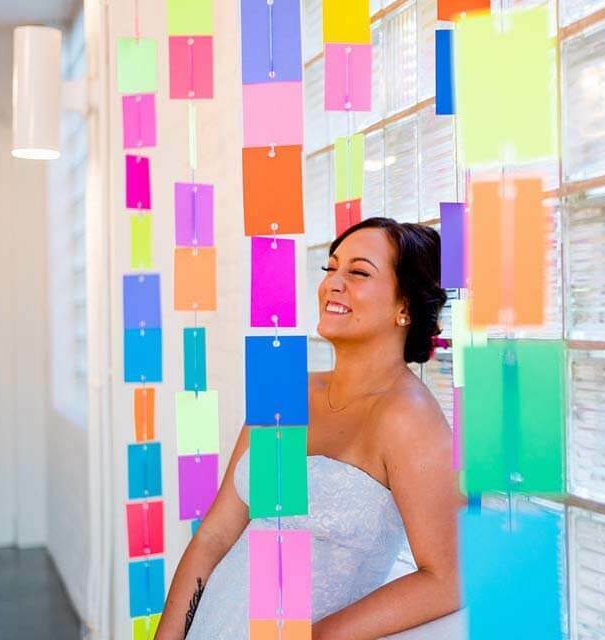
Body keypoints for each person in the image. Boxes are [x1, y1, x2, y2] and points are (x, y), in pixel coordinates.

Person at [156, 218, 462, 640]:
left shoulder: (407, 418)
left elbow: (446, 579)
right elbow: (215, 534)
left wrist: (319, 636)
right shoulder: (285, 390)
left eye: (357, 272)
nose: (333, 283)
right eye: (330, 268)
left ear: (404, 307)